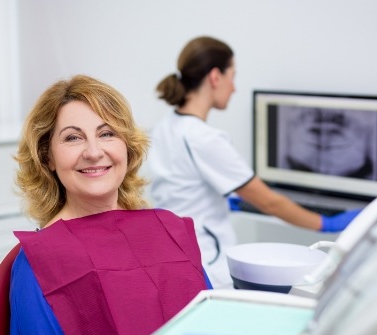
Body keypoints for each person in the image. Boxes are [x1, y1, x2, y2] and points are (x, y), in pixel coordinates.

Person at [9, 74, 257, 335]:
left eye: (107, 133)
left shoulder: (166, 230)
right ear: (48, 157)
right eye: (73, 138)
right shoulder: (40, 260)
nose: (94, 151)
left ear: (127, 146)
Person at [149, 36, 361, 289]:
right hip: (208, 262)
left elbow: (180, 187)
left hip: (176, 255)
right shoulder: (204, 139)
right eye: (233, 76)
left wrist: (219, 200)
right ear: (216, 77)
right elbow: (269, 202)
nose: (234, 87)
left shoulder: (166, 126)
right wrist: (325, 223)